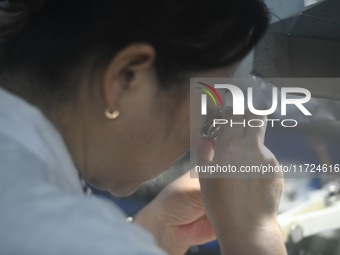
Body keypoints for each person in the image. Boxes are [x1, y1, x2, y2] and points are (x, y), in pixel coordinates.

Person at [0, 0, 286, 254]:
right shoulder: (59, 230)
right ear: (127, 76)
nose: (199, 132)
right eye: (206, 107)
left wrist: (152, 231)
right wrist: (254, 232)